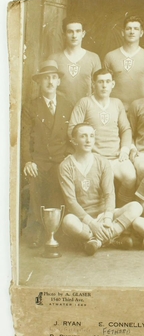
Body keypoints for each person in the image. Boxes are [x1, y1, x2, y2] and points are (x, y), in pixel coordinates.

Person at [59, 123, 143, 256]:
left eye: (91, 136)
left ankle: (96, 241)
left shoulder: (102, 161)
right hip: (82, 220)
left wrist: (107, 219)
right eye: (83, 136)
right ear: (73, 140)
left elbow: (109, 194)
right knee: (68, 222)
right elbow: (71, 202)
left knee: (136, 206)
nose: (88, 140)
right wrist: (92, 223)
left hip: (103, 216)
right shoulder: (66, 166)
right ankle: (111, 238)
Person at [21, 60, 74, 247]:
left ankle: (57, 231)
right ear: (39, 82)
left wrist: (69, 156)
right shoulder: (31, 107)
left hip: (60, 160)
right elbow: (25, 137)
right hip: (39, 161)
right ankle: (35, 229)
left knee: (61, 180)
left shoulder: (68, 106)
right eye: (46, 79)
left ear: (59, 81)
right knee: (35, 181)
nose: (50, 82)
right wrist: (28, 161)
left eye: (53, 78)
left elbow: (72, 137)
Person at [68, 68, 136, 206]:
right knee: (98, 188)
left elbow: (126, 129)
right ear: (93, 84)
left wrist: (124, 149)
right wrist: (86, 151)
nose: (104, 85)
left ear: (113, 84)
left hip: (116, 157)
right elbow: (72, 129)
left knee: (131, 177)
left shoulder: (117, 103)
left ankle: (120, 207)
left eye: (107, 81)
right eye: (100, 82)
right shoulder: (85, 103)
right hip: (93, 156)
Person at [103, 15, 144, 109]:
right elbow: (104, 85)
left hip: (141, 108)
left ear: (141, 33)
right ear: (123, 32)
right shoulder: (110, 56)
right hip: (115, 108)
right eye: (128, 29)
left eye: (136, 29)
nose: (132, 32)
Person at [49, 17, 101, 105]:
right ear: (64, 35)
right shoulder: (54, 59)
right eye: (70, 32)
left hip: (86, 109)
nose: (74, 35)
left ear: (83, 33)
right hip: (60, 110)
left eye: (78, 31)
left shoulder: (93, 58)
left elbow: (98, 88)